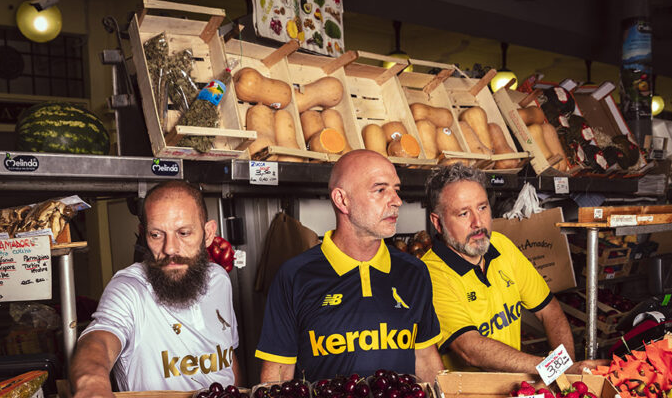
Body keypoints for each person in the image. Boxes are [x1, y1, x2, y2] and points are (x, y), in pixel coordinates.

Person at [68, 181, 242, 398]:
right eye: (156, 234)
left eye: (184, 233)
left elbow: (228, 355)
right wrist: (92, 383)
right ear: (142, 235)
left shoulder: (220, 280)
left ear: (208, 233)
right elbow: (99, 339)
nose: (170, 248)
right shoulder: (129, 288)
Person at [256, 149, 444, 384]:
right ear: (342, 200)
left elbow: (425, 357)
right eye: (380, 190)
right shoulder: (294, 276)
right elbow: (279, 372)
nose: (397, 201)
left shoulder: (414, 272)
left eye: (396, 190)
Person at [421, 163, 604, 373]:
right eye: (463, 214)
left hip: (517, 391)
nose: (478, 222)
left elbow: (549, 310)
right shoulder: (430, 274)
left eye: (482, 207)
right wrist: (552, 369)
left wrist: (566, 371)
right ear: (437, 223)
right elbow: (469, 349)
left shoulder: (501, 245)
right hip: (468, 396)